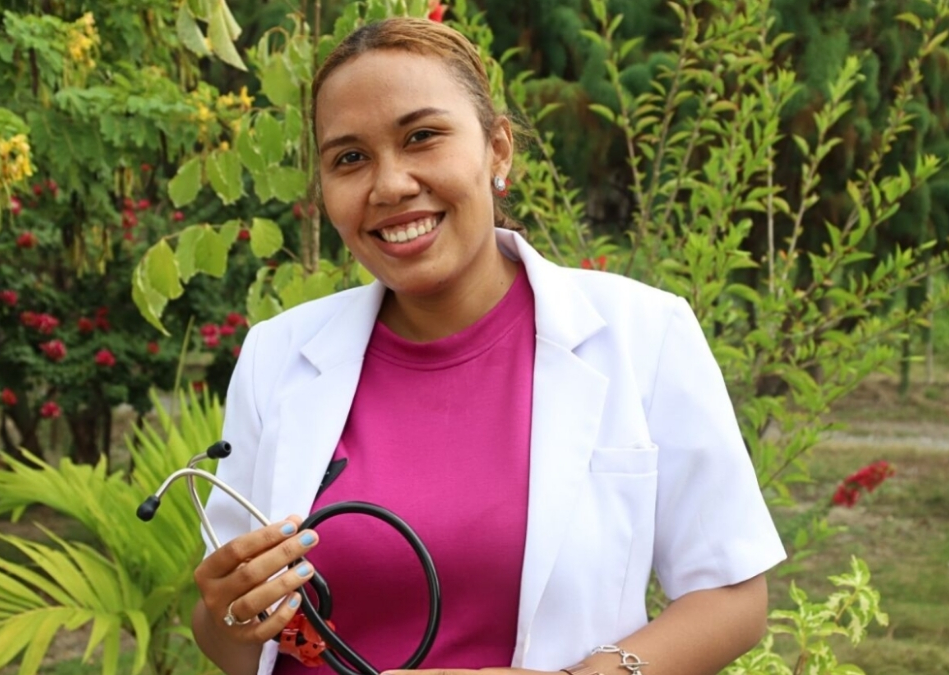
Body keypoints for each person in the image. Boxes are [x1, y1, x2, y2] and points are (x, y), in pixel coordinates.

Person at [190, 16, 786, 675]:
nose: (389, 185)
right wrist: (229, 616)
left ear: (497, 149)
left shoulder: (642, 335)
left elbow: (733, 595)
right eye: (350, 158)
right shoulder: (277, 356)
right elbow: (235, 642)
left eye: (422, 137)